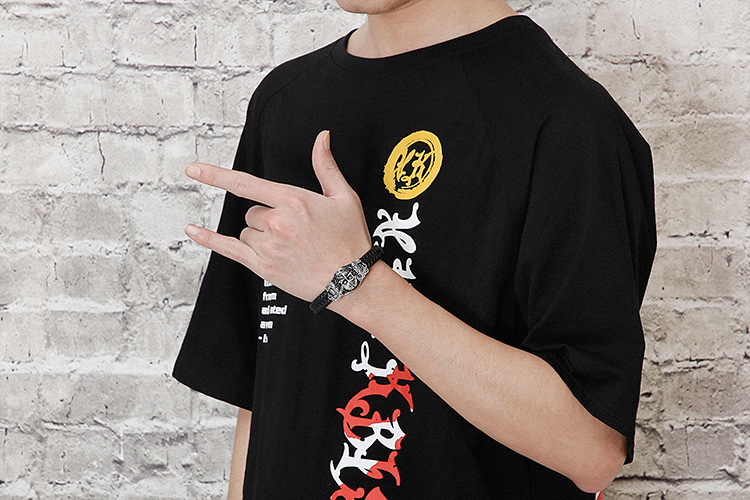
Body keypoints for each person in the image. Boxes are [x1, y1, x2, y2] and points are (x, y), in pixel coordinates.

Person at [172, 0, 657, 498]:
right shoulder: (286, 101)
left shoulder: (569, 121)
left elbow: (591, 450)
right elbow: (259, 395)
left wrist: (358, 284)